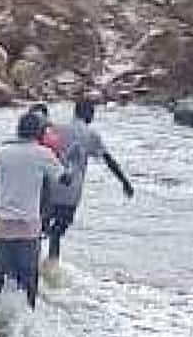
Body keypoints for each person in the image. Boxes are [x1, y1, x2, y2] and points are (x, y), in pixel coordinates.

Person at [0, 112, 71, 309]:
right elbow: (64, 179)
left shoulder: (2, 153)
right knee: (29, 276)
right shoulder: (44, 154)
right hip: (29, 226)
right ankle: (29, 314)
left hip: (2, 224)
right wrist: (69, 166)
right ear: (39, 133)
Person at [42, 98, 135, 262]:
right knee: (57, 232)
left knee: (39, 228)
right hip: (71, 194)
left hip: (48, 190)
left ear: (75, 112)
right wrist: (125, 182)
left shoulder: (56, 129)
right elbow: (108, 160)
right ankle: (52, 266)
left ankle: (30, 265)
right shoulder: (91, 135)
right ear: (89, 114)